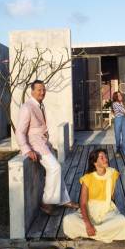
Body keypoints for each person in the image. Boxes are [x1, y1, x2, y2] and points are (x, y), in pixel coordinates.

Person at [16, 80, 79, 215]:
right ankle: (47, 202)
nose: (42, 92)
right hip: (35, 145)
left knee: (57, 168)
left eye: (44, 90)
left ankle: (63, 199)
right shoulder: (27, 107)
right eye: (39, 90)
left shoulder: (39, 104)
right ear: (32, 91)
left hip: (44, 143)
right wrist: (26, 149)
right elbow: (20, 131)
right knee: (55, 168)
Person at [62, 149, 125, 243]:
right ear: (94, 162)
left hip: (107, 210)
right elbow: (83, 203)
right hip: (90, 210)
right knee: (68, 220)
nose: (105, 159)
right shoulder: (88, 178)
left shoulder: (112, 173)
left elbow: (112, 196)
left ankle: (91, 233)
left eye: (105, 156)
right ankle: (102, 233)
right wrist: (88, 224)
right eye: (101, 157)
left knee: (121, 220)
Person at [111, 91, 125, 159]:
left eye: (120, 95)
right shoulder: (115, 104)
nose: (121, 96)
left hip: (123, 119)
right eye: (119, 96)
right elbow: (124, 110)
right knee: (118, 137)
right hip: (118, 120)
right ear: (116, 97)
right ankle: (117, 151)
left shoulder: (122, 103)